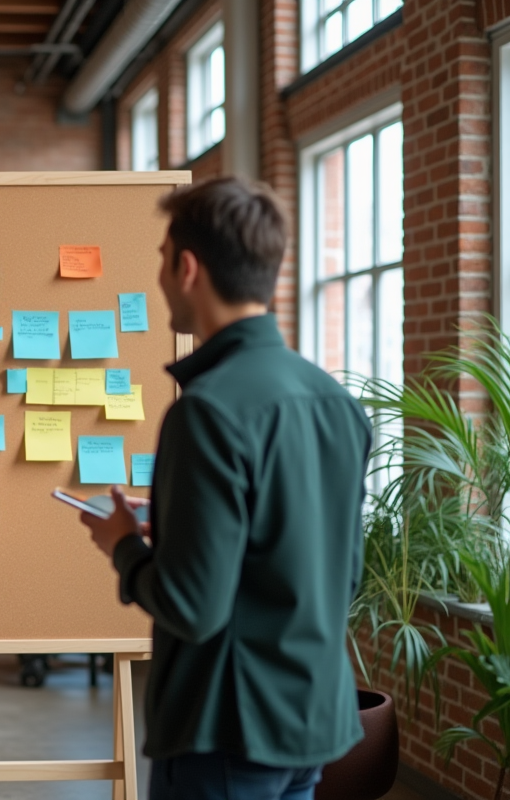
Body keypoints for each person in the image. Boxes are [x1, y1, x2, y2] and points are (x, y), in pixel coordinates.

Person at [77, 176, 372, 800]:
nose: (158, 276)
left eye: (161, 259)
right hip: (309, 718)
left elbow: (192, 606)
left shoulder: (206, 410)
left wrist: (124, 546)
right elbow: (336, 571)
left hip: (226, 728)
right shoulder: (337, 403)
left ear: (188, 267)